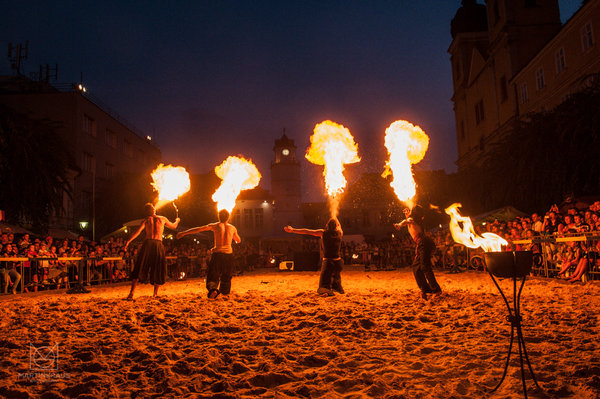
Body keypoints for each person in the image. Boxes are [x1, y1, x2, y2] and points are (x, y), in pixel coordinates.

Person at [177, 209, 240, 298]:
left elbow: (199, 229)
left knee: (213, 274)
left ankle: (213, 290)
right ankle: (225, 293)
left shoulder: (215, 226)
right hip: (228, 254)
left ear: (219, 217)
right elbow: (238, 240)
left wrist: (184, 233)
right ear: (228, 217)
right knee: (227, 275)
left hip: (217, 254)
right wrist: (232, 236)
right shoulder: (233, 228)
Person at [124, 203, 180, 300]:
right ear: (150, 211)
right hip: (152, 244)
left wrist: (176, 221)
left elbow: (138, 232)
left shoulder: (156, 219)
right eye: (151, 208)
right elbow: (174, 226)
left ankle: (149, 293)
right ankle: (134, 293)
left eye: (153, 207)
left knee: (155, 267)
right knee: (142, 266)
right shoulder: (153, 219)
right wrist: (177, 221)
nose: (153, 209)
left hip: (153, 244)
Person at [284, 217, 344, 296]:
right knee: (336, 278)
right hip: (338, 263)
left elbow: (307, 231)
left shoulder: (323, 233)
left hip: (329, 263)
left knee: (324, 284)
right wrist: (335, 218)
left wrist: (293, 230)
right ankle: (337, 288)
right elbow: (339, 226)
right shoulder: (340, 233)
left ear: (326, 225)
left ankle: (326, 289)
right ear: (337, 226)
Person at [394, 205, 442, 300]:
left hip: (423, 243)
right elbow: (408, 221)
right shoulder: (414, 219)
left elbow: (407, 221)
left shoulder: (412, 219)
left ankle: (436, 290)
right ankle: (425, 289)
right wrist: (407, 215)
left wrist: (399, 224)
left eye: (411, 210)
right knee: (416, 267)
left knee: (425, 266)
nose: (409, 211)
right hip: (423, 243)